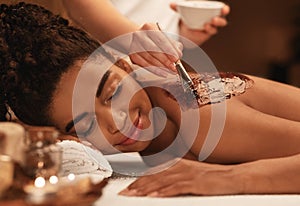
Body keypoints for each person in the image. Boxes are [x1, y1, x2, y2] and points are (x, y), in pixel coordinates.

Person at [1, 2, 300, 198]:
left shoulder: (195, 110)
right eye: (86, 124)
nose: (117, 123)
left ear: (125, 64)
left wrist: (230, 178)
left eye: (113, 92)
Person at [62, 0, 230, 73]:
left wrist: (181, 33)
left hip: (164, 69)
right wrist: (133, 39)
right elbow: (80, 5)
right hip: (106, 67)